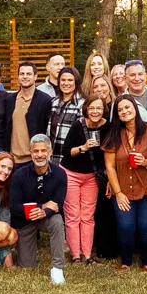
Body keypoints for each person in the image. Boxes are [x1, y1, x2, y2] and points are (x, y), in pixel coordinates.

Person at [104, 95, 147, 271]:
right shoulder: (114, 135)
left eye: (127, 107)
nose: (124, 111)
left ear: (135, 108)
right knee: (126, 226)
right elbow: (110, 167)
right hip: (123, 189)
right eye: (120, 110)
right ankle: (126, 261)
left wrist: (146, 162)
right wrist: (118, 193)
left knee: (145, 226)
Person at [9, 133, 70, 282]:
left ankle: (57, 268)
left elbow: (58, 203)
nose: (40, 155)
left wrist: (44, 212)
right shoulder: (19, 175)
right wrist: (41, 207)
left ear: (50, 152)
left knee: (57, 220)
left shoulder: (60, 174)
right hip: (25, 220)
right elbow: (14, 207)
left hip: (46, 217)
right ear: (30, 152)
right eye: (35, 151)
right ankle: (24, 250)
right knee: (27, 266)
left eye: (43, 151)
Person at [59, 92, 109, 264]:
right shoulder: (78, 125)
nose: (95, 111)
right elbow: (66, 151)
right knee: (73, 215)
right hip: (71, 173)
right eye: (92, 108)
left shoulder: (107, 127)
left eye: (99, 108)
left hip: (92, 177)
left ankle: (87, 254)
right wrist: (82, 148)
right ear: (86, 109)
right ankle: (75, 255)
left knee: (87, 216)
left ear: (104, 110)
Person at [9, 61, 55, 161]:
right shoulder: (10, 100)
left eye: (29, 74)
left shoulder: (45, 100)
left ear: (35, 76)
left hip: (35, 159)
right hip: (13, 159)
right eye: (22, 74)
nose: (25, 76)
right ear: (18, 76)